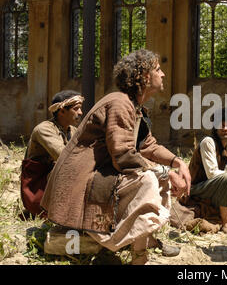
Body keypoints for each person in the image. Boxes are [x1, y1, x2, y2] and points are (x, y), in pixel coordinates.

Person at [41, 50, 191, 265]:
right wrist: (167, 173)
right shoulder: (120, 103)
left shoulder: (134, 107)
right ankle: (139, 256)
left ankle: (144, 239)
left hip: (99, 173)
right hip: (81, 179)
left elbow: (147, 145)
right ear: (145, 76)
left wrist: (177, 163)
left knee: (157, 177)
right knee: (149, 179)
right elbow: (123, 155)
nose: (164, 74)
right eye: (158, 69)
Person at [20, 90, 84, 218]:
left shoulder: (74, 130)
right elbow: (64, 157)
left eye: (80, 109)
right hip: (37, 186)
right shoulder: (44, 129)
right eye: (76, 109)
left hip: (51, 181)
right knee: (66, 167)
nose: (80, 113)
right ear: (61, 111)